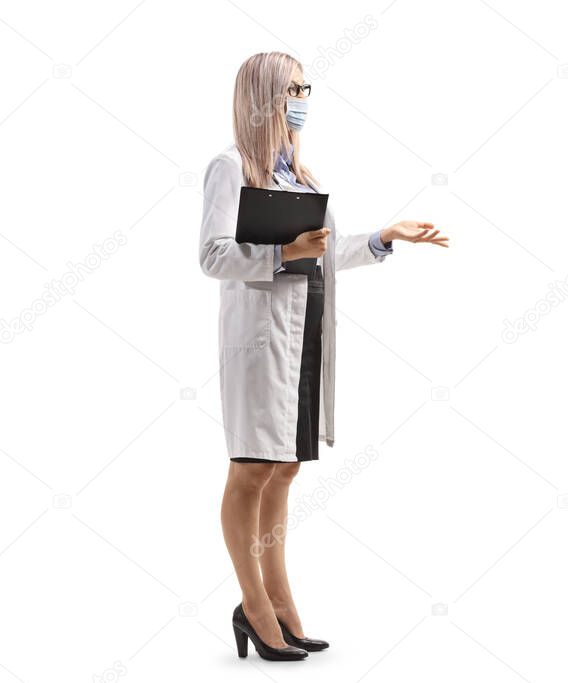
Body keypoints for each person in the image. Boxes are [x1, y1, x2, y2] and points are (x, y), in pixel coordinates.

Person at [199, 51, 449, 661]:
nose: (303, 97)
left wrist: (383, 238)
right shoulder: (230, 167)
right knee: (252, 469)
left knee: (285, 470)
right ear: (263, 95)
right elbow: (211, 256)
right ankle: (255, 606)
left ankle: (280, 603)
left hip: (305, 334)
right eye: (292, 88)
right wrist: (282, 254)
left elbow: (323, 253)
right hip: (259, 343)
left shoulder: (300, 173)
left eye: (307, 86)